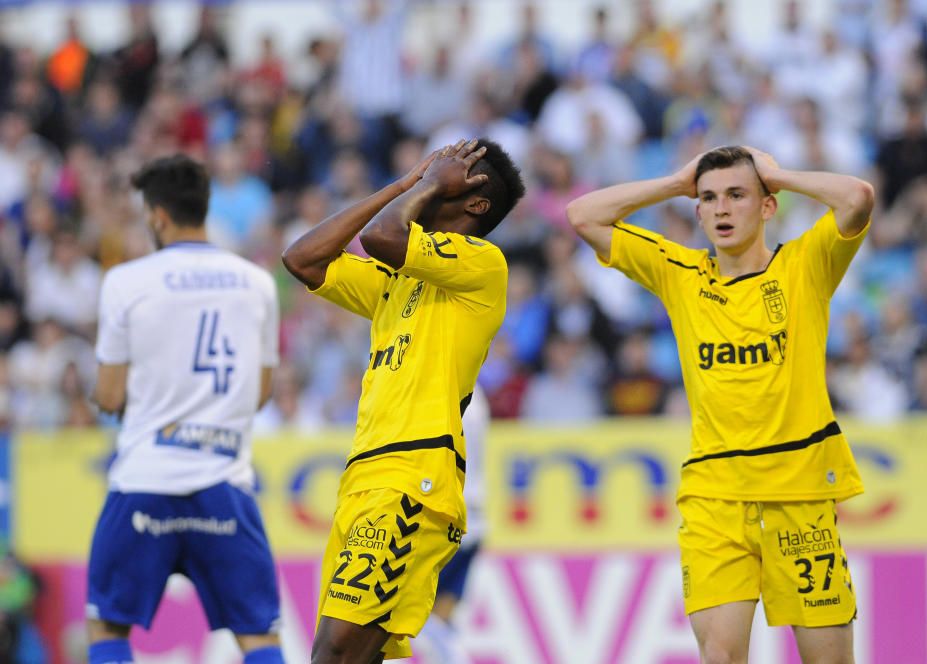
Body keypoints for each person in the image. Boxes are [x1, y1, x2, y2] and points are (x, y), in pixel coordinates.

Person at [567, 145, 875, 664]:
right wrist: (674, 182)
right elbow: (584, 215)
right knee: (722, 656)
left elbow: (857, 198)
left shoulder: (805, 266)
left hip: (797, 496)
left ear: (766, 206)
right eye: (709, 199)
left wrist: (777, 174)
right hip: (715, 497)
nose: (722, 209)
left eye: (737, 195)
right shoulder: (679, 274)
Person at [282, 138, 524, 664]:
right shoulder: (399, 280)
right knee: (356, 656)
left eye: (450, 168)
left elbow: (381, 236)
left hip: (414, 477)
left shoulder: (484, 266)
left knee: (333, 653)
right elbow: (303, 259)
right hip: (364, 477)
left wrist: (425, 185)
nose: (432, 169)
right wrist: (402, 185)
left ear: (475, 201)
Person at [87, 155, 284, 664]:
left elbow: (108, 396)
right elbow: (260, 394)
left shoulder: (126, 282)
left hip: (145, 483)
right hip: (224, 487)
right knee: (258, 634)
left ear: (156, 216)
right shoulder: (256, 282)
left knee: (107, 624)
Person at [409, 386, 489, 664]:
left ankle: (454, 658)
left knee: (412, 610)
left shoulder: (449, 396)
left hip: (450, 518)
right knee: (440, 617)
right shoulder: (477, 396)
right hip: (475, 518)